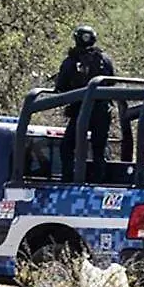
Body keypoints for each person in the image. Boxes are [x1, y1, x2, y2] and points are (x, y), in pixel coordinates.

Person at [56, 25, 115, 182]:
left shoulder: (71, 61)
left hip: (81, 112)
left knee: (67, 147)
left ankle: (68, 179)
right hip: (102, 111)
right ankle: (99, 181)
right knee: (99, 150)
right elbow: (112, 82)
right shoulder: (105, 60)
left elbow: (60, 87)